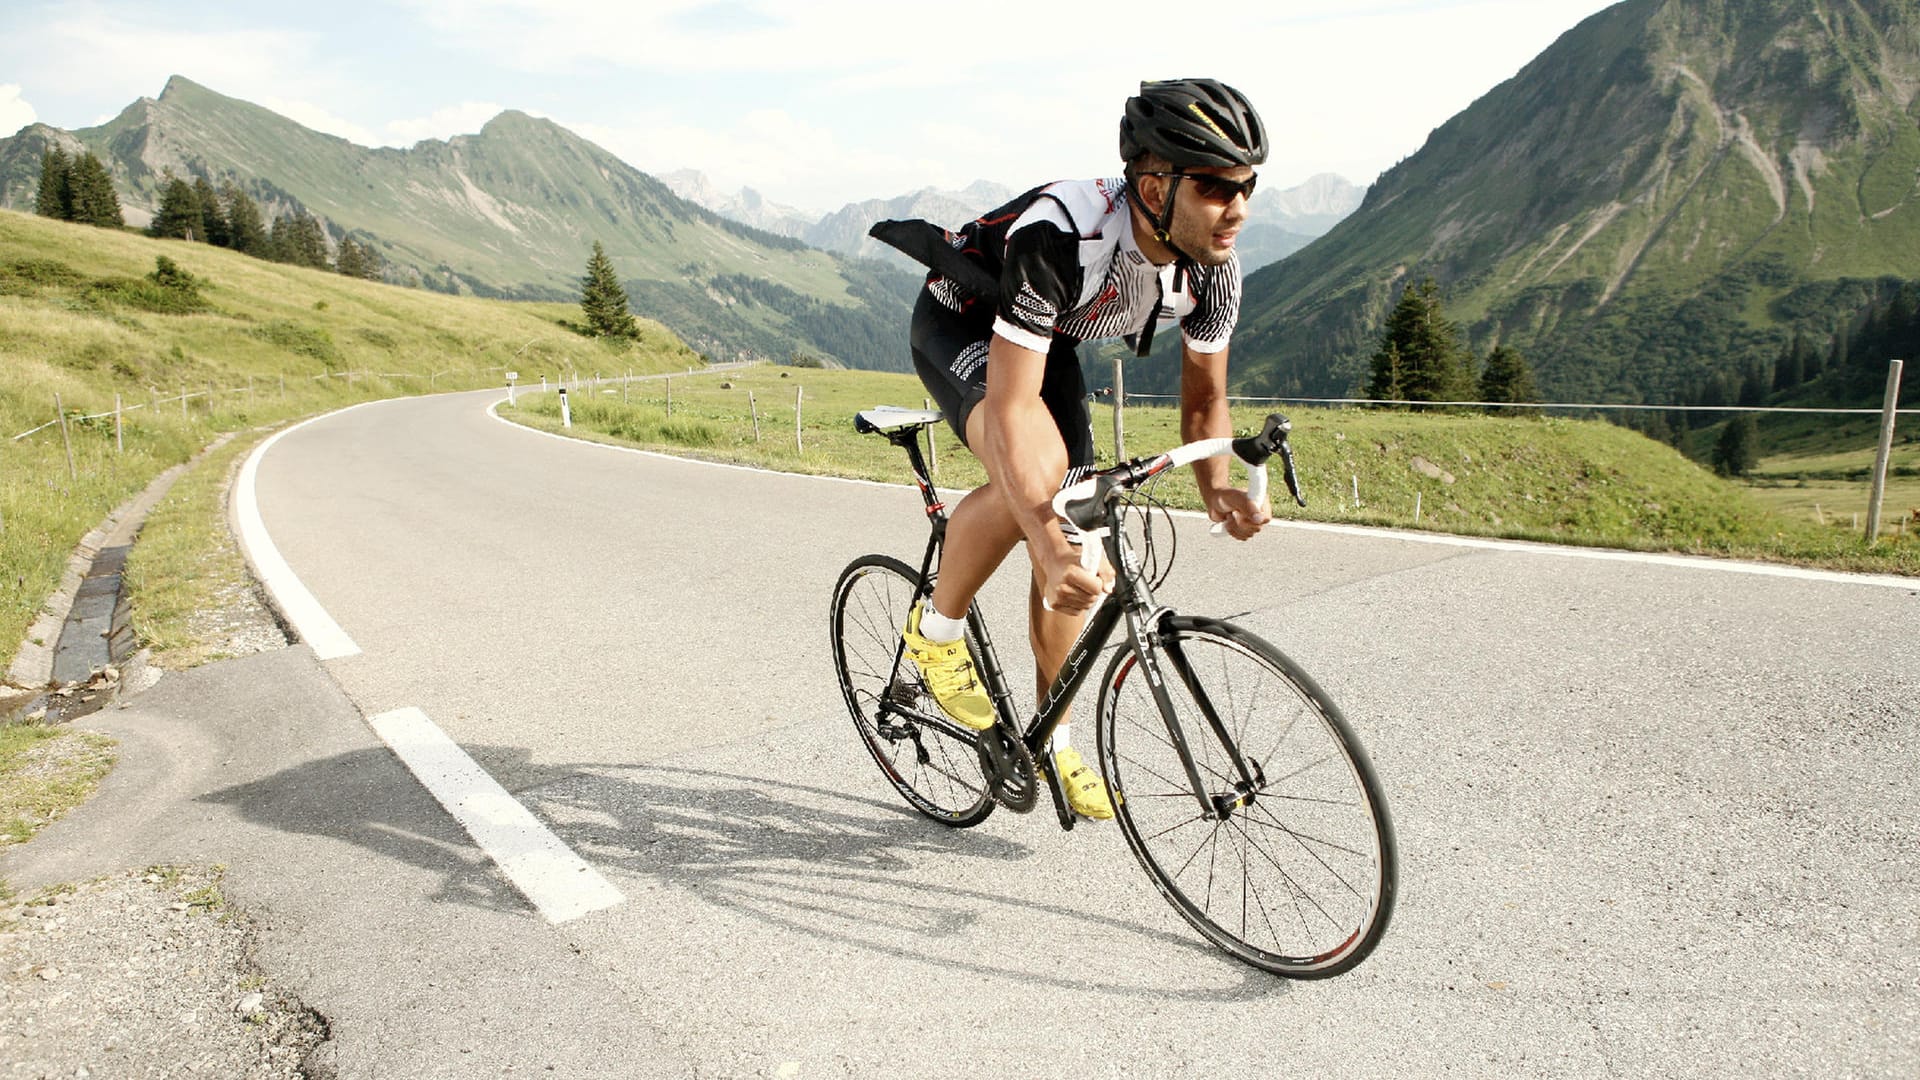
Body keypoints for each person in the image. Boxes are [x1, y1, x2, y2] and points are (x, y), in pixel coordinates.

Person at [876, 78, 1273, 820]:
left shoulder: (1215, 267)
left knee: (1082, 528)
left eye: (1247, 186)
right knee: (1045, 496)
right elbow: (1013, 406)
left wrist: (1215, 487)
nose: (1239, 209)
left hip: (1047, 337)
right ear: (1155, 185)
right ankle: (936, 634)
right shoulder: (1062, 236)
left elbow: (1204, 399)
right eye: (1218, 188)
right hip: (960, 323)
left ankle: (1050, 739)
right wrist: (1042, 537)